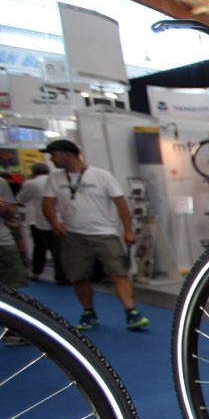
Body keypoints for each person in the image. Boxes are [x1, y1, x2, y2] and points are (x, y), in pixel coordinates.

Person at [41, 139, 149, 331]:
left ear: (68, 154)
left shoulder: (102, 176)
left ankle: (131, 312)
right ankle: (88, 311)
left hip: (105, 233)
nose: (51, 159)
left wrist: (128, 230)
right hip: (73, 236)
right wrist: (55, 223)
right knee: (78, 276)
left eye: (54, 155)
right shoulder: (54, 179)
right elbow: (47, 204)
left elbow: (121, 204)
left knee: (119, 272)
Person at [17, 161, 66, 283]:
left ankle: (36, 272)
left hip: (38, 221)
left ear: (33, 173)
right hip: (59, 219)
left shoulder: (31, 183)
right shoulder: (56, 181)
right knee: (58, 249)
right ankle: (62, 275)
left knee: (39, 247)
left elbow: (21, 199)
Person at [0, 176, 27, 289]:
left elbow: (11, 213)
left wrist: (5, 208)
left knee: (13, 289)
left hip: (3, 242)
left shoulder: (1, 182)